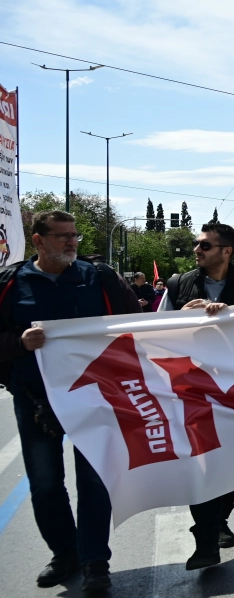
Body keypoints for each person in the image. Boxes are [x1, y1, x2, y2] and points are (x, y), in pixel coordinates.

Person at [0, 211, 142, 592]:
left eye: (74, 235)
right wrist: (18, 342)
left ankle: (95, 560)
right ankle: (65, 553)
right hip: (35, 402)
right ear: (38, 241)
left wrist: (189, 318)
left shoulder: (99, 278)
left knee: (94, 481)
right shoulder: (11, 284)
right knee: (45, 484)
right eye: (62, 236)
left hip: (94, 398)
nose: (72, 242)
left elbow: (138, 324)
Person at [160, 223, 234, 570]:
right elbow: (154, 332)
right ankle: (205, 539)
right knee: (200, 462)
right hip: (190, 390)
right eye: (196, 243)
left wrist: (231, 319)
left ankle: (220, 518)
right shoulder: (178, 285)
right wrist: (181, 319)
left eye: (205, 245)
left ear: (226, 251)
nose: (197, 249)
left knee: (230, 461)